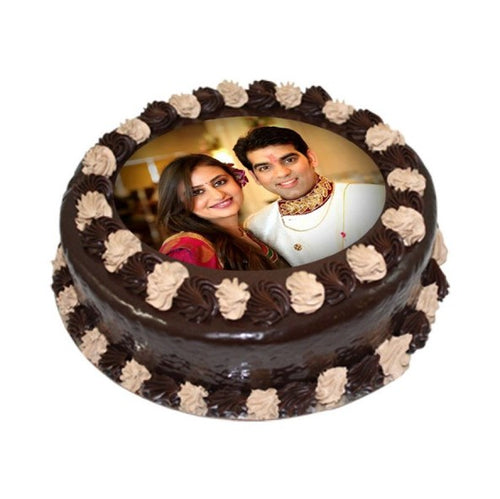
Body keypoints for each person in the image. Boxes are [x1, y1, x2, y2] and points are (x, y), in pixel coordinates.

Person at [233, 126, 385, 266]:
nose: (282, 173)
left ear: (311, 158)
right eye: (265, 168)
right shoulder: (258, 226)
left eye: (289, 160)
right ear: (255, 177)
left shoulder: (372, 198)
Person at [156, 154, 289, 270]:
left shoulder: (252, 231)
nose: (218, 195)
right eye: (197, 192)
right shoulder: (188, 250)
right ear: (179, 204)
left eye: (220, 182)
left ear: (236, 180)